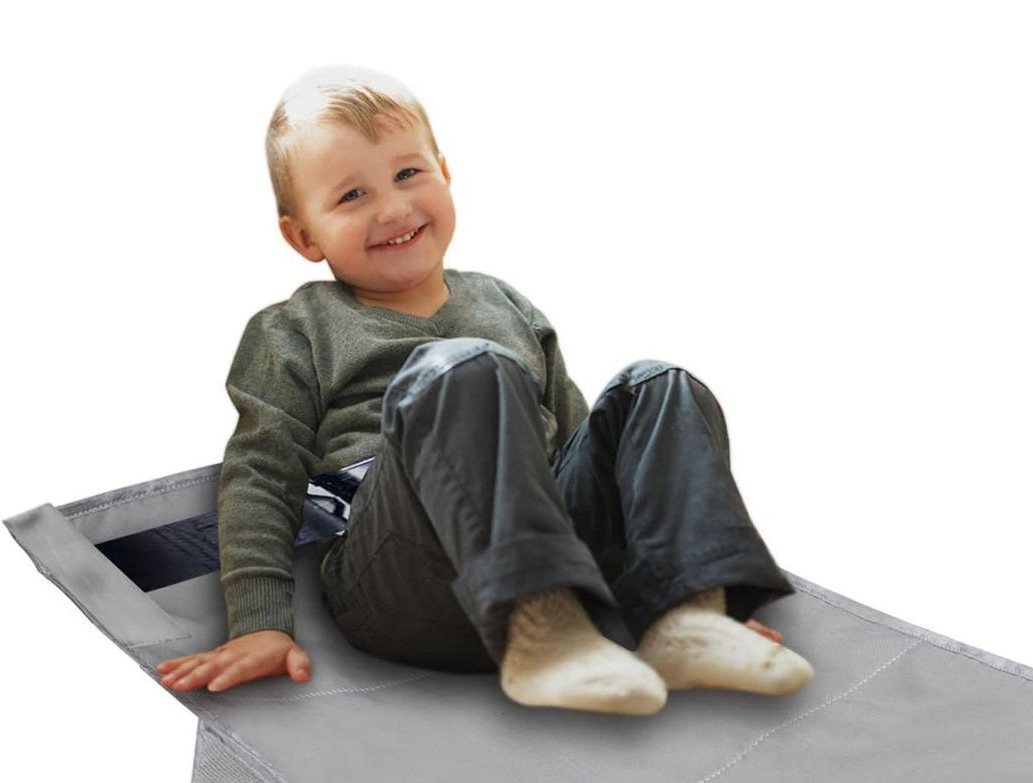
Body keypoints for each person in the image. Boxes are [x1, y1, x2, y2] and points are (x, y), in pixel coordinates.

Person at [155, 65, 815, 716]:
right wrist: (260, 623)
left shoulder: (504, 303)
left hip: (552, 554)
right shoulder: (293, 330)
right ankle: (540, 633)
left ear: (445, 172)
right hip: (405, 579)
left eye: (408, 173)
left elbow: (585, 448)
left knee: (660, 384)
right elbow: (261, 474)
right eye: (351, 195)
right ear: (303, 236)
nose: (393, 208)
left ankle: (686, 618)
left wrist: (659, 569)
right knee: (465, 368)